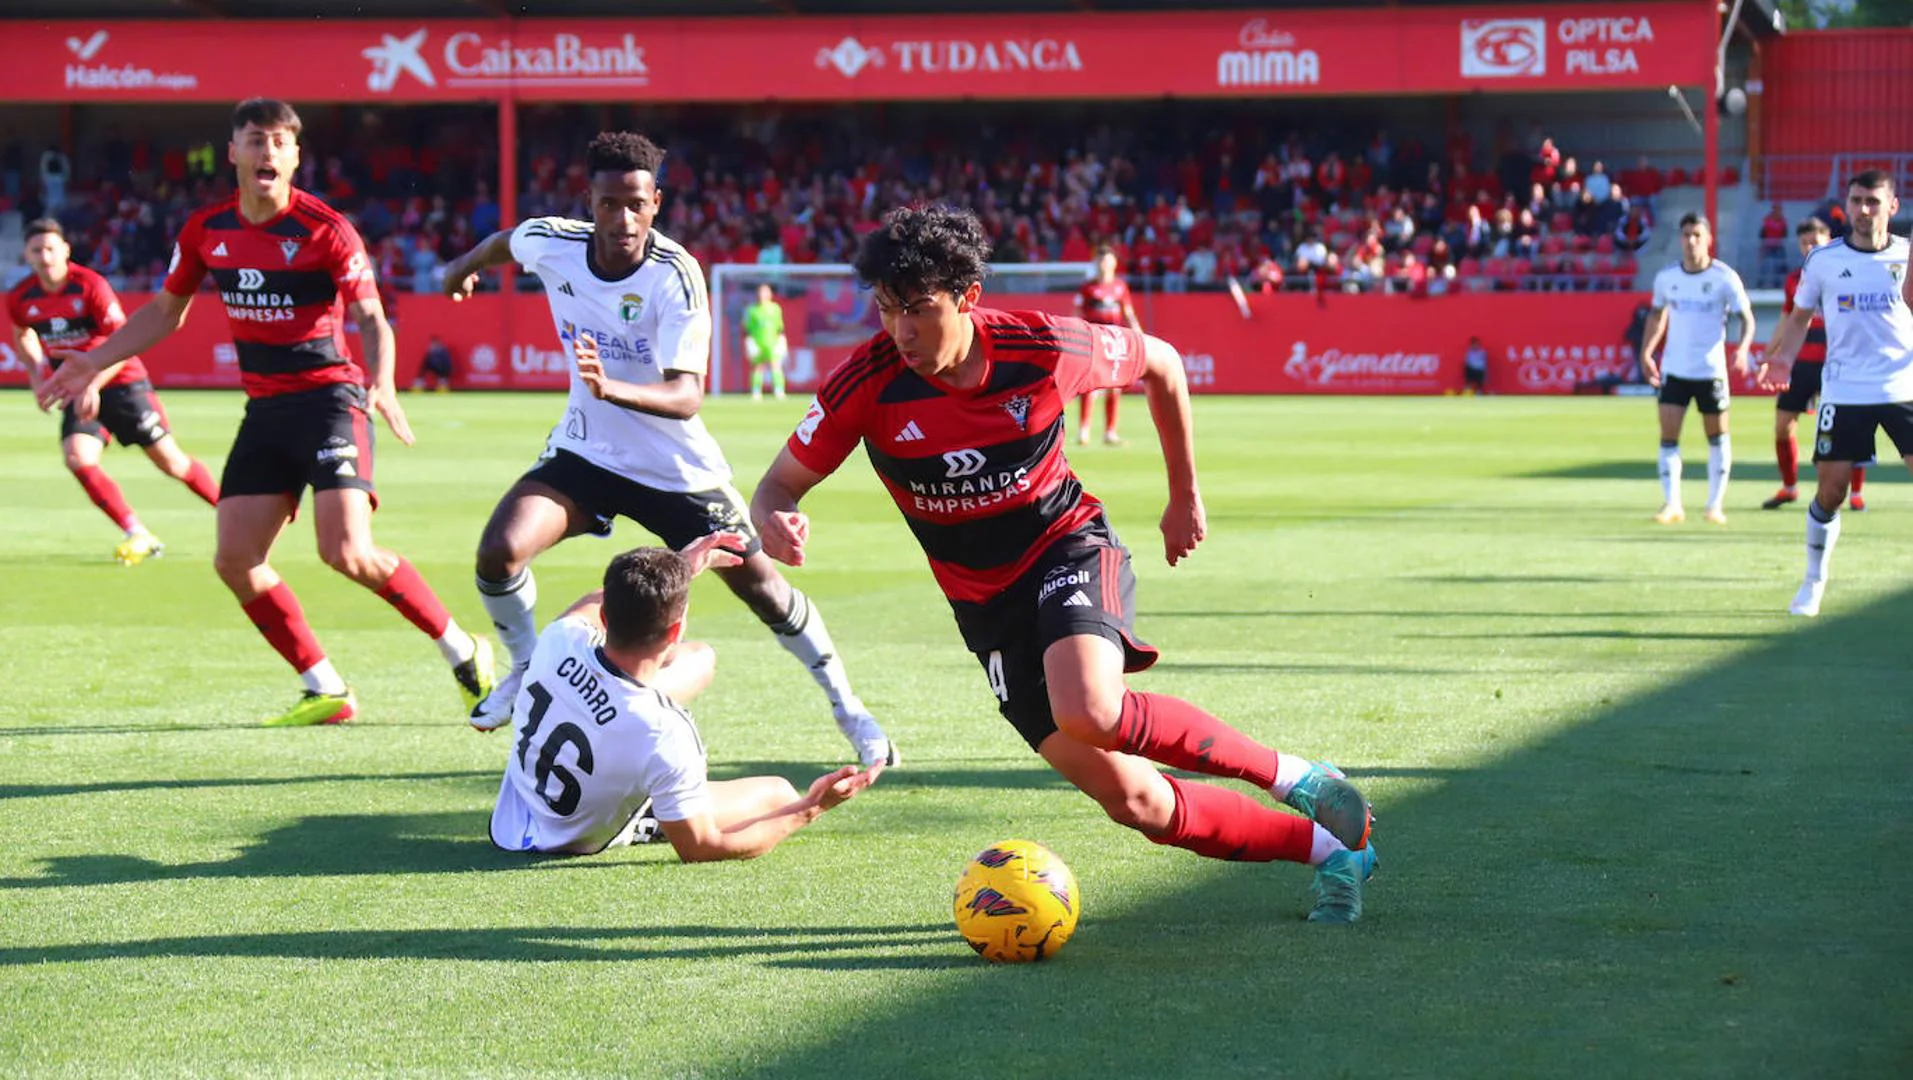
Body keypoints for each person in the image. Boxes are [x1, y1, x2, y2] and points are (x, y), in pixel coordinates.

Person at [750, 206, 1378, 924]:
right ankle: (1332, 853)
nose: (902, 332)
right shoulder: (867, 383)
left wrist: (1184, 496)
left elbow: (1163, 363)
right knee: (1136, 802)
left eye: (919, 309)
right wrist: (775, 520)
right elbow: (776, 486)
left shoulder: (1045, 347)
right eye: (888, 310)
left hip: (1065, 547)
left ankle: (1294, 776)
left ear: (968, 298)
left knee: (1089, 708)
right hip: (986, 611)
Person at [440, 132, 896, 767]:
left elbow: (687, 395)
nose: (622, 218)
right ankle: (521, 668)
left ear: (656, 202)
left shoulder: (675, 275)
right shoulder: (554, 241)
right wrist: (457, 271)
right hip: (588, 452)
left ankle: (851, 710)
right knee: (499, 551)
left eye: (635, 203)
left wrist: (610, 387)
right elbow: (502, 244)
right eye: (608, 204)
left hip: (677, 469)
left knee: (762, 586)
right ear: (588, 202)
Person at [37, 98, 492, 727]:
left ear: (296, 155)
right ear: (233, 152)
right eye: (255, 140)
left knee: (347, 552)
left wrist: (381, 381)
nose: (267, 153)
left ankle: (464, 650)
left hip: (331, 403)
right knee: (235, 558)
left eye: (280, 142)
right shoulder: (205, 230)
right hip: (266, 411)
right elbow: (166, 313)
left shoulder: (326, 229)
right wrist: (95, 361)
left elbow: (369, 316)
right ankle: (324, 686)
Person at [489, 530, 883, 859]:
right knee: (779, 793)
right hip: (569, 837)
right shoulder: (665, 732)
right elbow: (701, 846)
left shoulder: (560, 638)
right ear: (673, 631)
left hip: (515, 812)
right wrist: (813, 807)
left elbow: (598, 603)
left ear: (607, 616)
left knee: (701, 659)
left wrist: (678, 568)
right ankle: (647, 816)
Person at [7, 218, 220, 563]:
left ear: (65, 251)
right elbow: (22, 334)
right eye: (36, 250)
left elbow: (124, 342)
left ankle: (236, 512)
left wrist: (92, 382)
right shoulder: (21, 297)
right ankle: (137, 532)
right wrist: (35, 374)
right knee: (77, 457)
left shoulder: (89, 285)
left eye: (50, 248)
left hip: (122, 383)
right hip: (79, 390)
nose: (44, 256)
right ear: (27, 256)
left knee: (172, 464)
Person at [1758, 170, 1912, 618]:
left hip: (1904, 386)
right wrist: (1784, 357)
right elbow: (1800, 315)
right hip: (1845, 389)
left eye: (1874, 202)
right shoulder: (1823, 261)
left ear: (1892, 207)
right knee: (1832, 490)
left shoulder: (1907, 255)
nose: (1864, 211)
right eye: (1857, 200)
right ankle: (1814, 580)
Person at [1637, 213, 1754, 525]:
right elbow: (1656, 316)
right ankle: (1672, 503)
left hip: (1711, 370)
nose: (1691, 241)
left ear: (1709, 239)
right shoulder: (1666, 278)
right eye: (1686, 235)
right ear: (1680, 238)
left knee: (1717, 436)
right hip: (1674, 369)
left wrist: (1742, 349)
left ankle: (1715, 505)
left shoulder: (1724, 278)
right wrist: (1647, 352)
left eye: (1697, 235)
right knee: (1668, 435)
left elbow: (1747, 318)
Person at [1763, 218, 1867, 511]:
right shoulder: (1795, 279)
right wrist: (1770, 355)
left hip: (1838, 364)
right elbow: (1788, 319)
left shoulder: (1846, 272)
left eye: (1815, 241)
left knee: (1852, 428)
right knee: (1783, 426)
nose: (1809, 247)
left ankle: (1856, 493)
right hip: (1801, 364)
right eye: (1804, 242)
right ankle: (1789, 487)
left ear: (1828, 239)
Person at [1072, 246, 1143, 446]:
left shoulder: (1120, 287)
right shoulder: (1087, 288)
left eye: (1108, 260)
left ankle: (1110, 431)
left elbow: (1128, 312)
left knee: (1115, 387)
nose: (1104, 264)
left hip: (1114, 343)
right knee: (1089, 386)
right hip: (1093, 340)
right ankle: (1084, 430)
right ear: (1096, 264)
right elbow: (1077, 312)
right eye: (1101, 261)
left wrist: (1137, 333)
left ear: (1114, 263)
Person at [742, 282, 789, 401]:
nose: (762, 294)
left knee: (776, 366)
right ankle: (756, 392)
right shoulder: (752, 310)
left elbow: (780, 327)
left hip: (772, 343)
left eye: (765, 291)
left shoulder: (775, 308)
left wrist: (781, 340)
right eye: (760, 291)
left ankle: (779, 391)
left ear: (770, 293)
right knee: (758, 367)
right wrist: (749, 342)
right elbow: (747, 329)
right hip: (758, 343)